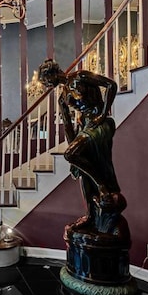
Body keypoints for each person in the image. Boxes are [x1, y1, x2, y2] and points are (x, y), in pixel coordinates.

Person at [38, 59, 126, 234]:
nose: (47, 85)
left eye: (46, 81)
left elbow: (111, 85)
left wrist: (102, 113)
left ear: (52, 73)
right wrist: (73, 148)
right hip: (85, 127)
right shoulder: (62, 98)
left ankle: (102, 186)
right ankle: (91, 216)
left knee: (72, 155)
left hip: (100, 124)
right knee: (81, 171)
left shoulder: (81, 76)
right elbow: (68, 127)